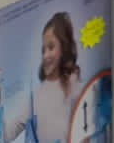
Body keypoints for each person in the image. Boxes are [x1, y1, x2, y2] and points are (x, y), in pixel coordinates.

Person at [11, 12, 82, 143]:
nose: (45, 56)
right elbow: (13, 128)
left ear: (64, 48)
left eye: (51, 47)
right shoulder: (38, 96)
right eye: (43, 50)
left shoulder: (74, 84)